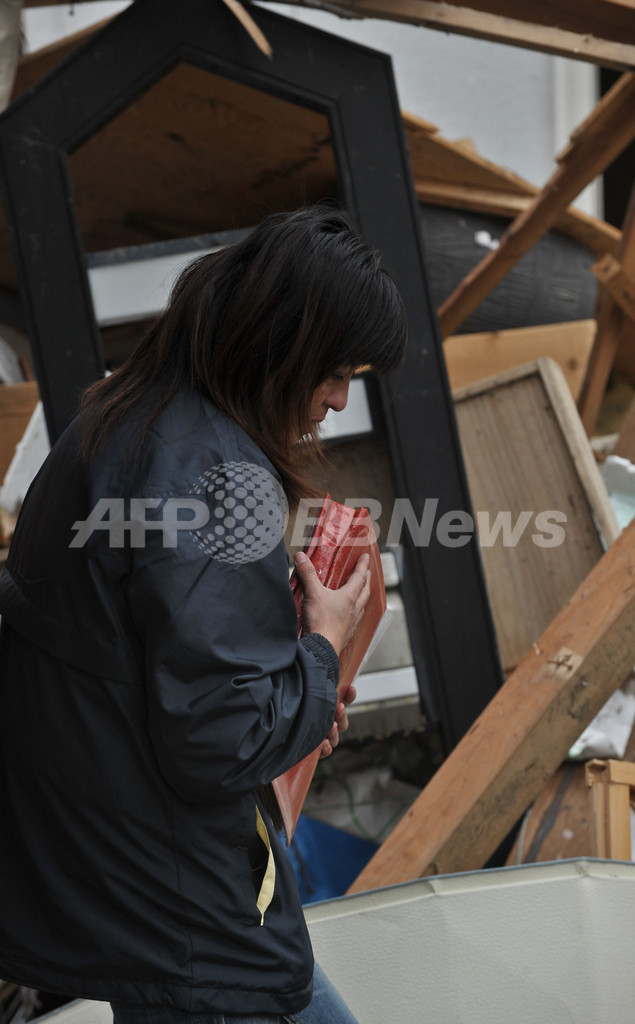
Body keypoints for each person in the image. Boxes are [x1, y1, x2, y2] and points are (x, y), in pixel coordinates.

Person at [0, 205, 407, 1022]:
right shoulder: (214, 477)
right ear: (279, 342)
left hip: (110, 871)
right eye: (334, 372)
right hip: (184, 907)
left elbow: (146, 651)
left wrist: (288, 669)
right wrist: (320, 649)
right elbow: (223, 737)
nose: (333, 401)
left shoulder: (126, 415)